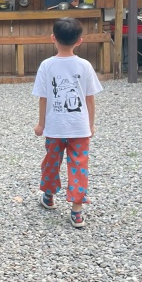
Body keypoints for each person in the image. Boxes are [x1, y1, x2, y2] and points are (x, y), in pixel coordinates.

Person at [32, 17, 103, 228]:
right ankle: (77, 211)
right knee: (79, 165)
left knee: (52, 161)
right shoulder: (85, 65)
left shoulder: (47, 65)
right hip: (79, 127)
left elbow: (43, 98)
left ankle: (49, 196)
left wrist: (40, 124)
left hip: (54, 127)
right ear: (79, 41)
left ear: (53, 38)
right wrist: (91, 124)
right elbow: (90, 98)